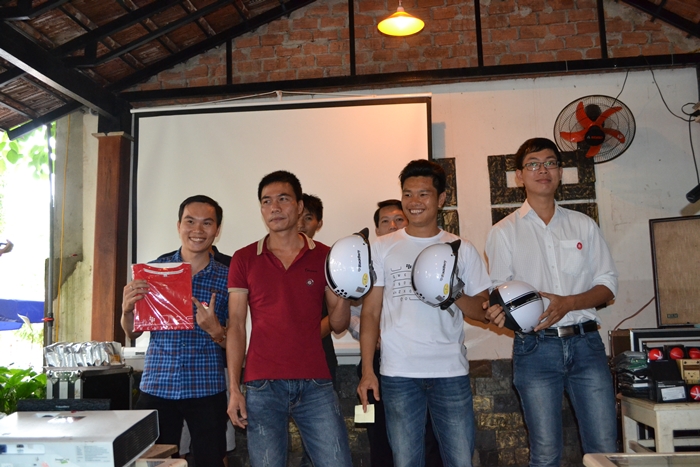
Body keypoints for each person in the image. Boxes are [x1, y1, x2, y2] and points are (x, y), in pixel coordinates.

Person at [357, 160, 503, 467]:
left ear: (441, 198)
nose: (414, 201)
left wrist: (452, 291)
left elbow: (483, 312)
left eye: (423, 194)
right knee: (406, 461)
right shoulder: (381, 247)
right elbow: (370, 313)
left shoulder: (461, 248)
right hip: (398, 373)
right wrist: (368, 370)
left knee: (459, 460)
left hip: (450, 371)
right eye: (407, 194)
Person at [485, 137, 618, 467]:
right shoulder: (503, 232)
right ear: (519, 176)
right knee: (545, 453)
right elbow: (498, 292)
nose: (542, 170)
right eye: (533, 164)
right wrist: (496, 312)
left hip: (587, 345)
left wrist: (569, 302)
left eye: (550, 163)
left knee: (604, 449)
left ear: (560, 172)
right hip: (535, 348)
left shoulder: (583, 224)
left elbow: (608, 286)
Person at [226, 170, 353, 467]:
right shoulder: (244, 258)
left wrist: (346, 291)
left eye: (283, 199)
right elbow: (236, 325)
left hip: (315, 382)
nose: (274, 207)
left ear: (299, 206)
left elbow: (338, 325)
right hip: (261, 385)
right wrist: (234, 389)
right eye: (266, 201)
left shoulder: (326, 256)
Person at [121, 195, 229, 467]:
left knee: (210, 461)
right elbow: (132, 333)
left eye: (207, 223)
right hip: (158, 383)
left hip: (206, 385)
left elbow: (236, 339)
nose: (197, 230)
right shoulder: (153, 271)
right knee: (150, 462)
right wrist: (127, 310)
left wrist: (216, 331)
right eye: (190, 221)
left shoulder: (228, 277)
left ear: (217, 229)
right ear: (179, 225)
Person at [297, 193, 338, 383]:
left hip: (320, 353)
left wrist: (307, 338)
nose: (301, 224)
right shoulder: (270, 258)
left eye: (308, 218)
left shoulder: (330, 258)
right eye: (297, 216)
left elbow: (338, 313)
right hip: (278, 359)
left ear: (319, 223)